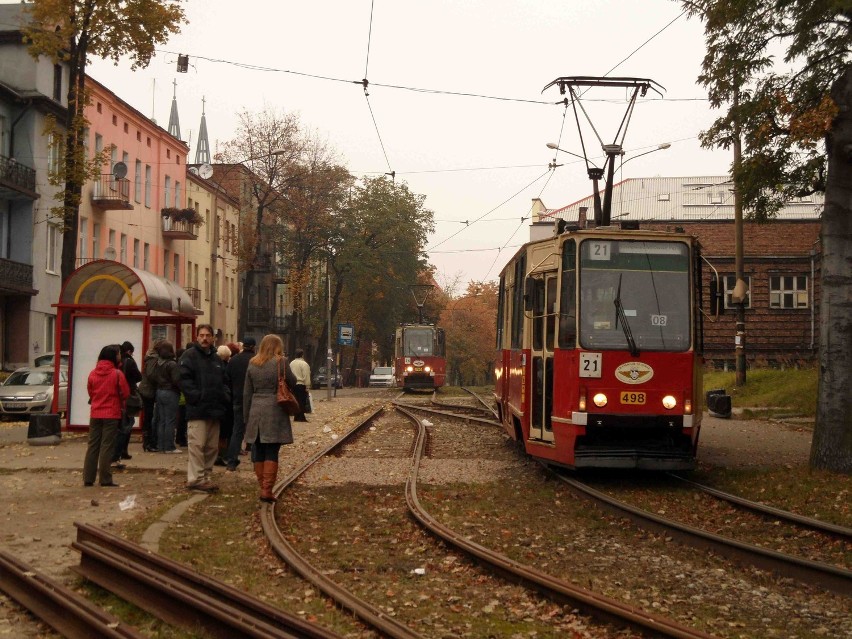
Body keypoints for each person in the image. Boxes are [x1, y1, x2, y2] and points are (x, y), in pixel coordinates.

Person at [243, 334, 296, 503]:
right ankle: (267, 489)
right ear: (277, 346)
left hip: (256, 410)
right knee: (272, 449)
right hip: (275, 409)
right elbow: (294, 382)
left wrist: (247, 417)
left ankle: (262, 486)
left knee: (258, 448)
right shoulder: (281, 362)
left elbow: (247, 393)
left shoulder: (252, 364)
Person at [179, 325, 230, 493]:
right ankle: (196, 479)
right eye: (201, 335)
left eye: (208, 335)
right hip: (198, 410)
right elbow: (184, 380)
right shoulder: (189, 356)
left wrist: (224, 396)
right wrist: (197, 397)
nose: (205, 338)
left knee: (211, 448)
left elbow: (224, 381)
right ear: (196, 337)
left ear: (213, 338)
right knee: (197, 446)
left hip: (215, 410)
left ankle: (206, 478)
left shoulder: (216, 359)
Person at [83, 345, 130, 487]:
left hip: (95, 413)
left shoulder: (93, 373)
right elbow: (126, 393)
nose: (120, 357)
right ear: (113, 357)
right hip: (111, 414)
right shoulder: (117, 374)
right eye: (118, 355)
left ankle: (88, 478)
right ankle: (105, 478)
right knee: (106, 446)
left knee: (92, 445)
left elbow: (90, 392)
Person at [224, 337, 255, 471]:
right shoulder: (256, 360)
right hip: (254, 399)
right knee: (255, 429)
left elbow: (227, 378)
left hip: (237, 398)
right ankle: (256, 460)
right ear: (253, 346)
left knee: (237, 430)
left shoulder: (234, 360)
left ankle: (232, 460)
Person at [112, 341, 141, 463]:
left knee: (119, 425)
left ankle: (118, 452)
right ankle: (120, 452)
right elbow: (139, 377)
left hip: (115, 396)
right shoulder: (129, 361)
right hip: (127, 394)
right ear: (129, 351)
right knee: (127, 424)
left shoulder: (114, 362)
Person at [152, 341, 182, 453]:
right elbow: (176, 380)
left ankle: (161, 445)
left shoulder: (158, 362)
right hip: (170, 392)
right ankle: (169, 446)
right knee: (170, 420)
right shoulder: (172, 364)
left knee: (162, 420)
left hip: (160, 391)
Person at [139, 341, 162, 452]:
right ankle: (148, 442)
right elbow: (151, 374)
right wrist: (160, 380)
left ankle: (147, 441)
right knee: (149, 416)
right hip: (148, 390)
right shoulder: (154, 358)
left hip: (146, 389)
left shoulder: (150, 357)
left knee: (148, 416)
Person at [215, 345, 234, 466]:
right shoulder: (226, 367)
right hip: (226, 402)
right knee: (224, 431)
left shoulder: (214, 365)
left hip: (216, 402)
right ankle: (222, 454)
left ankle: (217, 454)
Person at [289, 348, 311, 422]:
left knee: (295, 401)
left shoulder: (291, 363)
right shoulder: (304, 364)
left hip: (293, 384)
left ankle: (296, 416)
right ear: (302, 355)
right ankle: (301, 417)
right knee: (302, 401)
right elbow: (306, 375)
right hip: (301, 384)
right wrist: (307, 386)